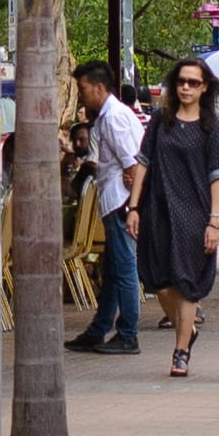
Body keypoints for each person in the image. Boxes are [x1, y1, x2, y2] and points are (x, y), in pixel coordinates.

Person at [133, 58, 219, 377]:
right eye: (181, 81)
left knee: (187, 282)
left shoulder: (210, 126)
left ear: (205, 87)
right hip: (158, 207)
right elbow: (143, 162)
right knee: (158, 278)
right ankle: (187, 329)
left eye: (193, 83)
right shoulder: (161, 120)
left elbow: (217, 175)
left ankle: (181, 350)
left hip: (194, 212)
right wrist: (133, 207)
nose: (186, 87)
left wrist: (214, 221)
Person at [66, 61, 144, 353]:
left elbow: (132, 163)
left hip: (121, 200)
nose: (81, 94)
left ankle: (128, 332)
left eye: (83, 88)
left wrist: (133, 204)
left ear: (99, 88)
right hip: (116, 198)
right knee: (114, 268)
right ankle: (100, 328)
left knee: (124, 267)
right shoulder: (110, 116)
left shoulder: (113, 119)